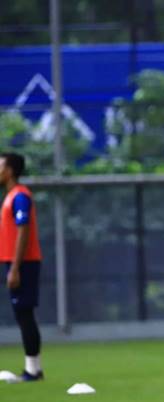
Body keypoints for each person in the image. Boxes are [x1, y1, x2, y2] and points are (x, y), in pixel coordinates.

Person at [0, 152, 44, 382]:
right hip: (14, 261)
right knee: (22, 313)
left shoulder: (20, 196)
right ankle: (32, 369)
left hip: (24, 263)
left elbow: (23, 230)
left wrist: (15, 268)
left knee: (25, 313)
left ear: (9, 171)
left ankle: (33, 370)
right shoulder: (10, 196)